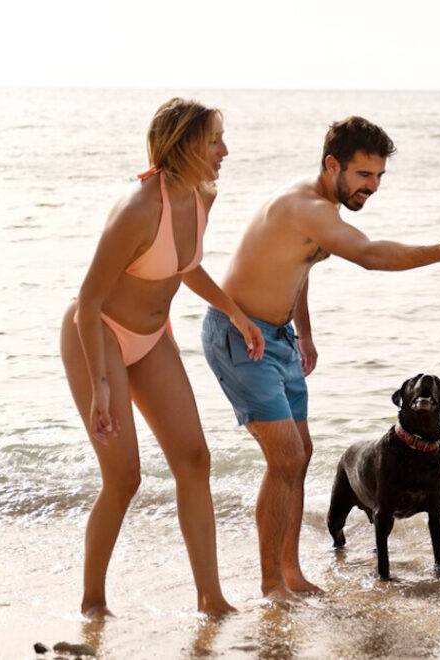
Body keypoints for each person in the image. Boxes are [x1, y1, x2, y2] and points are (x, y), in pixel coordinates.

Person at [201, 115, 440, 603]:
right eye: (363, 175)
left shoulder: (318, 211)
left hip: (280, 337)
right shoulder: (307, 207)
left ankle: (291, 574)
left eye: (379, 176)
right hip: (240, 334)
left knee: (301, 457)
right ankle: (272, 583)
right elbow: (371, 255)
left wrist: (304, 334)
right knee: (286, 458)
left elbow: (300, 267)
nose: (373, 187)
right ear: (333, 164)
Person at [60, 98, 265, 618]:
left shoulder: (202, 196)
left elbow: (183, 266)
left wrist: (236, 314)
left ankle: (211, 599)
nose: (225, 150)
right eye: (215, 139)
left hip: (151, 338)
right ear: (188, 144)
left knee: (195, 460)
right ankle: (93, 603)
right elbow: (87, 303)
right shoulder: (137, 209)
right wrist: (101, 387)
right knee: (125, 477)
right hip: (97, 334)